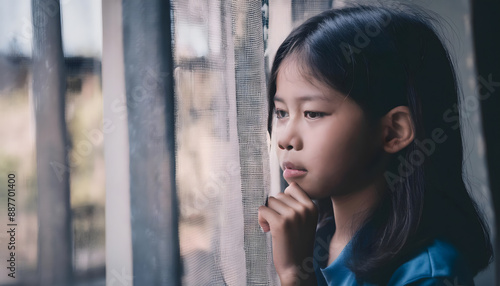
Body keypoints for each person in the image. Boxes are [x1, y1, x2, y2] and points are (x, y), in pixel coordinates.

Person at [257, 4, 494, 286]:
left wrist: (295, 276)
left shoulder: (428, 273)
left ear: (393, 131)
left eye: (313, 113)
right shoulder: (307, 237)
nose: (285, 139)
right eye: (282, 113)